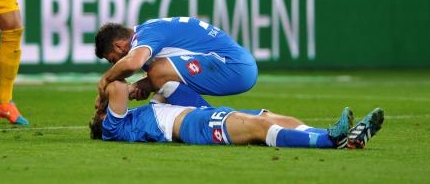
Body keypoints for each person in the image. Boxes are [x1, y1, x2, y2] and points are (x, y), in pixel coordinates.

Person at [90, 80, 385, 150]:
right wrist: (110, 90)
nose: (103, 109)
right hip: (192, 126)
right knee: (259, 127)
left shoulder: (146, 113)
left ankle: (335, 135)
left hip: (203, 114)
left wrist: (146, 85)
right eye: (101, 112)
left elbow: (167, 84)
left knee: (277, 117)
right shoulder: (114, 128)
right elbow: (115, 87)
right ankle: (329, 142)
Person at [94, 16, 258, 108]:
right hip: (236, 64)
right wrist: (134, 88)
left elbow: (132, 64)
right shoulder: (148, 29)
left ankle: (212, 120)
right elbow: (165, 75)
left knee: (157, 71)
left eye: (113, 60)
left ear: (119, 46)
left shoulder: (145, 35)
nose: (115, 66)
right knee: (159, 97)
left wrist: (105, 80)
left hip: (232, 65)